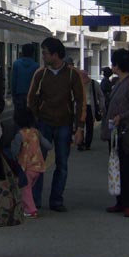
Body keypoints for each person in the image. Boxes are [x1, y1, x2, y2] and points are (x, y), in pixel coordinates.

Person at [26, 37, 84, 212]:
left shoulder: (72, 75)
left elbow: (80, 101)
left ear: (55, 54)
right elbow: (31, 98)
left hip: (64, 123)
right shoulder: (40, 74)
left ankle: (56, 200)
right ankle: (35, 200)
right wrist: (34, 120)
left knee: (62, 163)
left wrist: (79, 127)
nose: (43, 56)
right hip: (43, 123)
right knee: (38, 163)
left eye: (45, 53)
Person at [103, 48, 129, 217]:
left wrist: (122, 116)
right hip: (115, 133)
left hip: (125, 132)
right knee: (117, 167)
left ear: (118, 65)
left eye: (114, 62)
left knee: (126, 168)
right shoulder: (119, 82)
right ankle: (120, 201)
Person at [8, 108, 53, 218]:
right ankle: (26, 207)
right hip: (38, 167)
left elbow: (14, 151)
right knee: (29, 188)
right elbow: (48, 145)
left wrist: (12, 149)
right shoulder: (36, 132)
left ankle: (31, 210)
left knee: (25, 189)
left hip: (27, 167)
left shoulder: (20, 135)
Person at [10, 43, 40, 128]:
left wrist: (13, 95)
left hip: (19, 96)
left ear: (22, 52)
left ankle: (19, 134)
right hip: (32, 96)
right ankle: (31, 135)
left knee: (19, 120)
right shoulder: (36, 66)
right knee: (31, 120)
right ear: (33, 53)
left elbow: (13, 81)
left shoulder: (16, 64)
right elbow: (37, 83)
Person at [76, 69, 104, 151]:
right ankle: (82, 143)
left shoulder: (93, 83)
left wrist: (101, 106)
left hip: (88, 107)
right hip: (83, 107)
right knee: (83, 126)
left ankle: (85, 144)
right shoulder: (77, 83)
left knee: (86, 126)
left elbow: (101, 96)